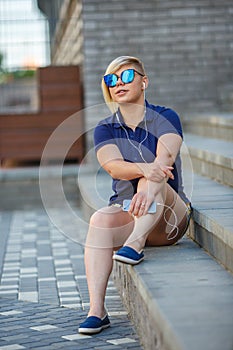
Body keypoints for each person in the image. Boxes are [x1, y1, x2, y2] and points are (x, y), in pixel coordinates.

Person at [78, 56, 192, 334]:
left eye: (127, 76)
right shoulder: (106, 127)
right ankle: (97, 311)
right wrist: (143, 169)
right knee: (99, 220)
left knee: (156, 177)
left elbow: (166, 158)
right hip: (129, 213)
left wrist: (145, 175)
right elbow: (112, 166)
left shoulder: (166, 117)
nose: (118, 83)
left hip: (168, 219)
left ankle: (136, 244)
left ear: (144, 82)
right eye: (111, 80)